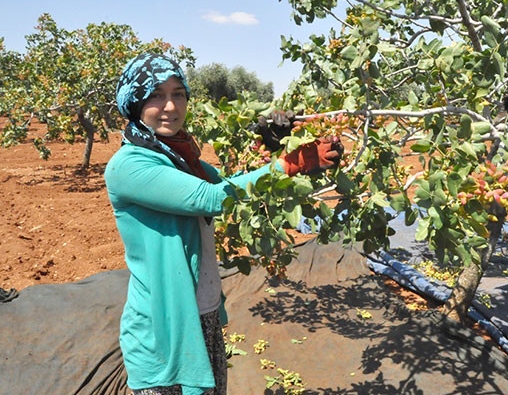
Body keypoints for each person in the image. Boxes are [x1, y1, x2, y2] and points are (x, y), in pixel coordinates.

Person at [104, 52, 342, 395]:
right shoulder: (128, 166)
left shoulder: (179, 158)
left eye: (178, 94)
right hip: (163, 327)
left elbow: (229, 183)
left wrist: (270, 142)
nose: (170, 106)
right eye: (156, 94)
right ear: (135, 103)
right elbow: (211, 198)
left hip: (203, 313)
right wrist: (289, 164)